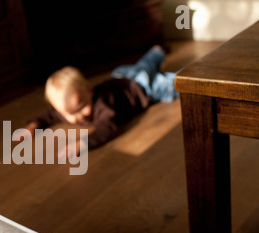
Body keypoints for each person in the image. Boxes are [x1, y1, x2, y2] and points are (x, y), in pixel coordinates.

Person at [16, 45, 179, 158]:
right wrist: (32, 127)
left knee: (178, 84)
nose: (79, 116)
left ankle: (190, 71)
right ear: (59, 109)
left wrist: (83, 143)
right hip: (122, 76)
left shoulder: (103, 106)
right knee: (143, 66)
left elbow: (106, 128)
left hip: (143, 89)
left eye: (82, 107)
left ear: (90, 91)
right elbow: (47, 116)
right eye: (70, 114)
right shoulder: (64, 110)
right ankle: (156, 52)